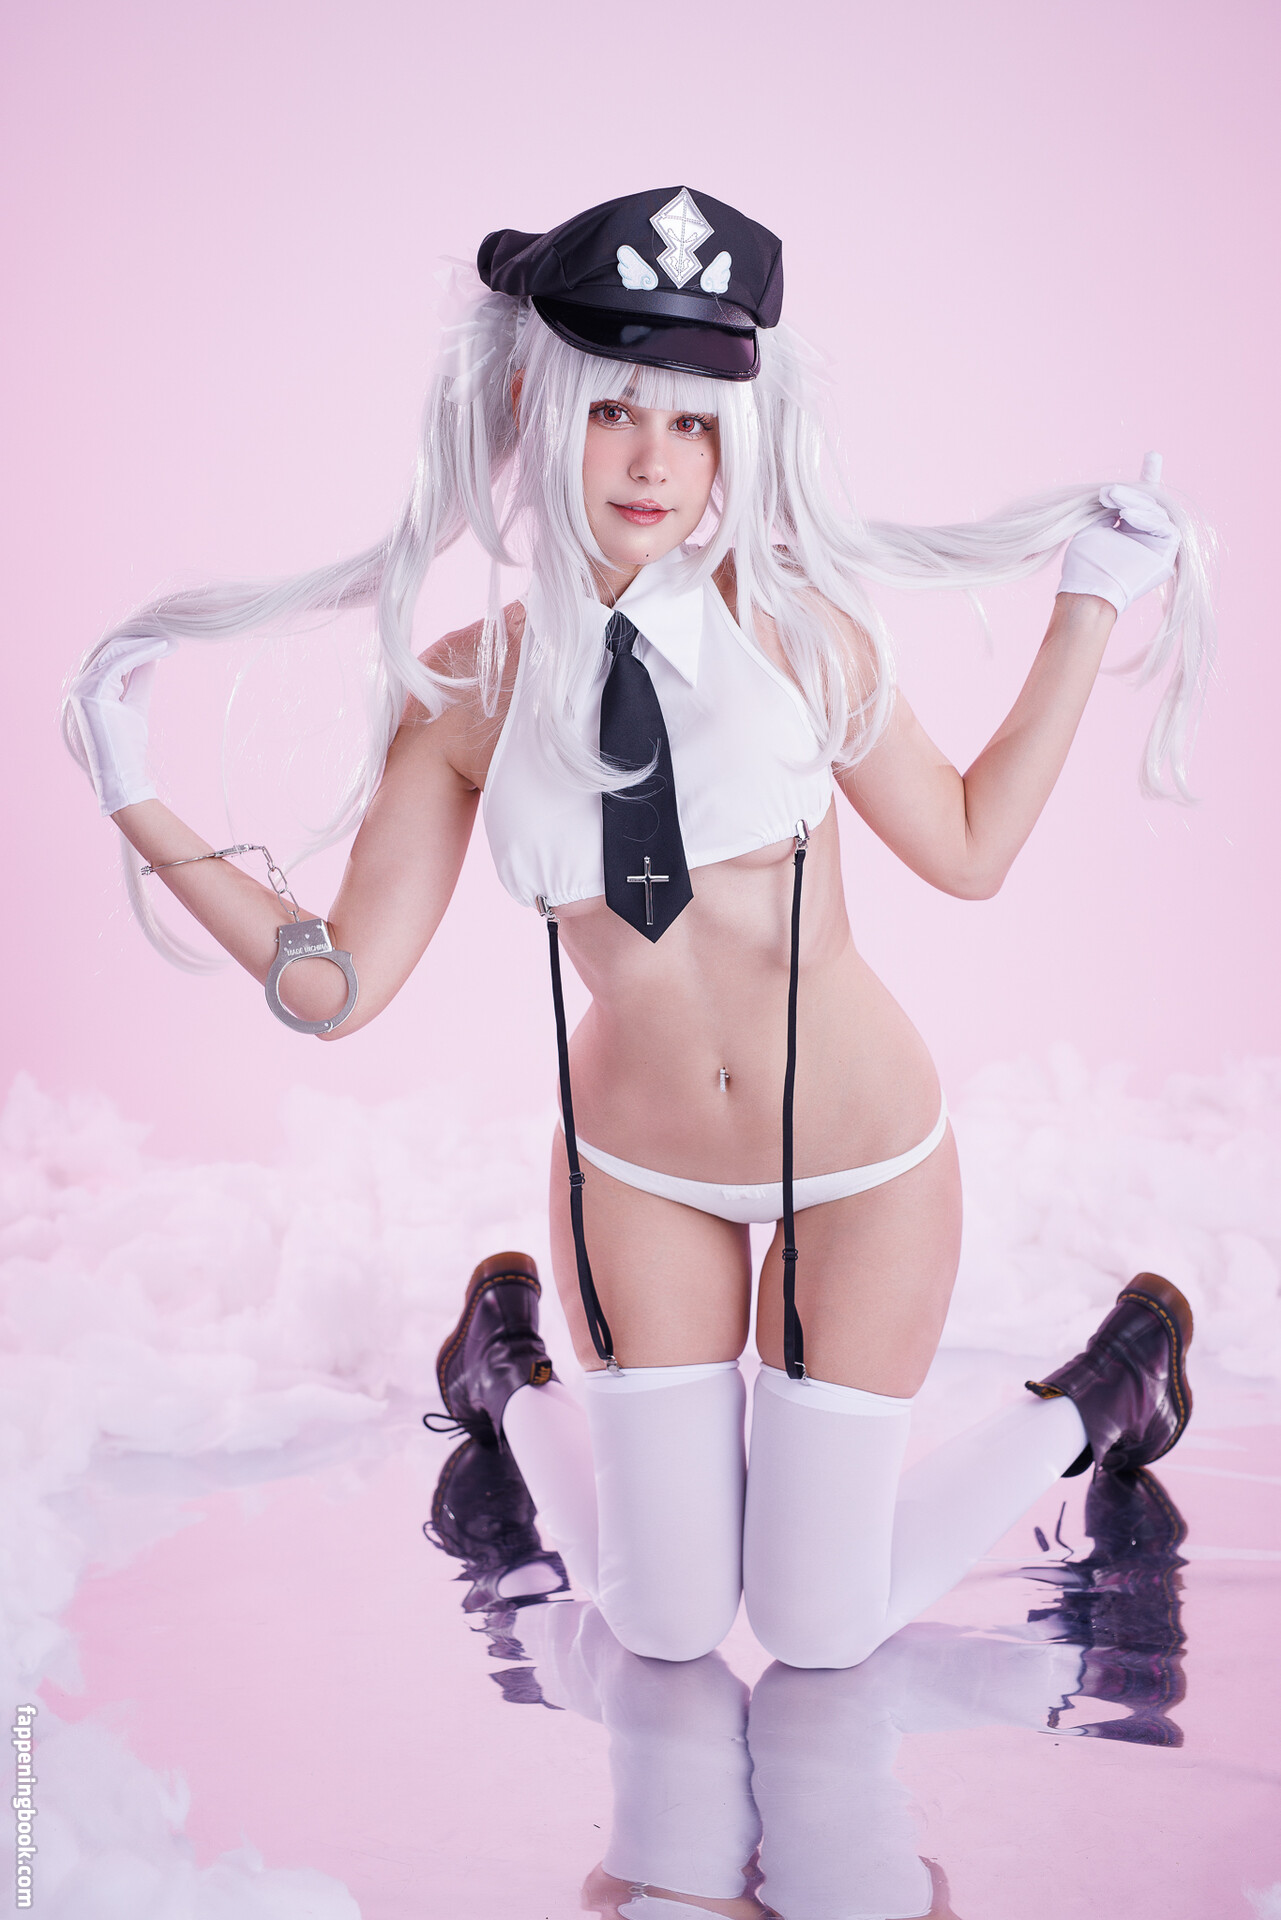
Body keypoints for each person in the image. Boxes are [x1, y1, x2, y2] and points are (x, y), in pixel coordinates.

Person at [64, 186, 1211, 1670]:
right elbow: (334, 987)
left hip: (857, 1162)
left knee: (816, 1628)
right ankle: (510, 1373)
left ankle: (1102, 1392)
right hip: (635, 1174)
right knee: (662, 1625)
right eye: (613, 412)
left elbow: (972, 849)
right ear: (538, 413)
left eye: (692, 423)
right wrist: (135, 798)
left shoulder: (795, 631)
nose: (654, 462)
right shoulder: (465, 694)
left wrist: (1089, 602)